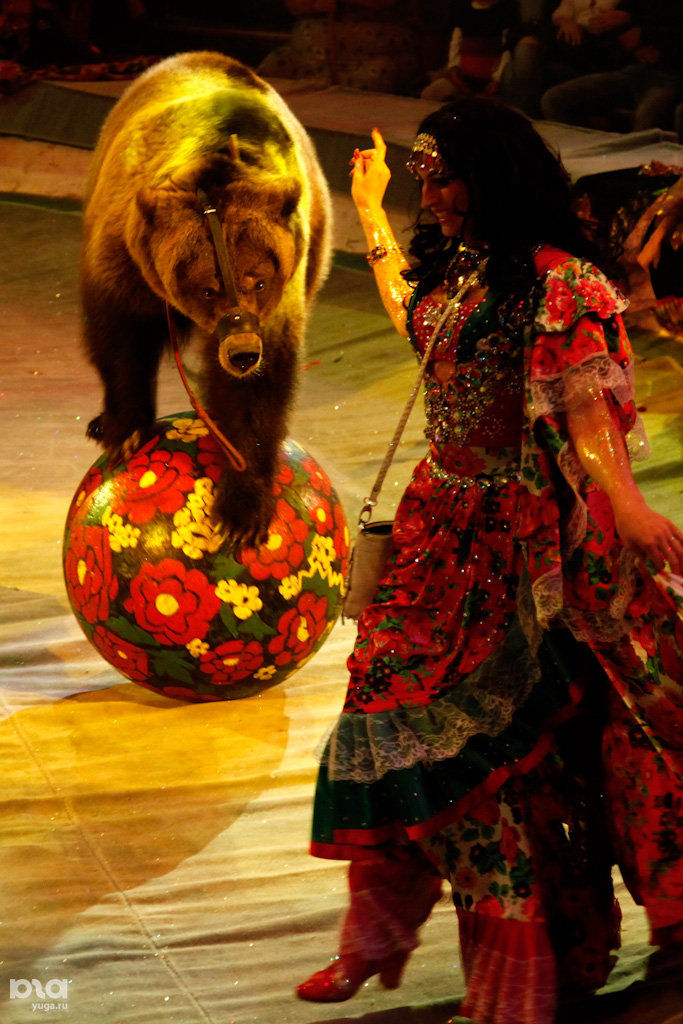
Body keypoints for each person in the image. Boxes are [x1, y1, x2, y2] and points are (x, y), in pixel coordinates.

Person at [295, 97, 683, 1024]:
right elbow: (413, 322)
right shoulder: (462, 272)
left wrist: (623, 500)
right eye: (424, 180)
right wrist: (371, 216)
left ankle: (521, 962)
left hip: (526, 544)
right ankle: (379, 927)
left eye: (445, 179)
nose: (433, 197)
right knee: (381, 710)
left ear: (494, 176)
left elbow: (586, 410)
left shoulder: (563, 285)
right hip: (436, 531)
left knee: (513, 755)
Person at [541, 0, 683, 133]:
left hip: (670, 74)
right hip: (631, 68)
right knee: (553, 99)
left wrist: (643, 35)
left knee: (644, 120)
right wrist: (632, 33)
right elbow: (614, 24)